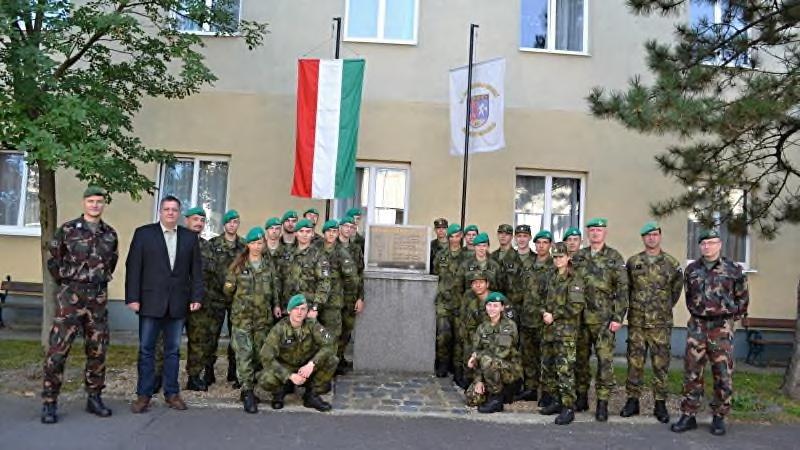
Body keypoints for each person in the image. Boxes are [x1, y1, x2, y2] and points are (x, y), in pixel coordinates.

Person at [41, 186, 119, 424]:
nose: (95, 205)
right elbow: (53, 261)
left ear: (104, 204)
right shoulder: (67, 230)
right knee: (57, 352)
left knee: (97, 350)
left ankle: (94, 397)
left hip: (97, 300)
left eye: (99, 201)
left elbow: (111, 264)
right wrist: (68, 283)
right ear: (84, 203)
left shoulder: (110, 234)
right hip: (70, 299)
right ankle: (49, 403)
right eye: (91, 201)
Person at [126, 195, 203, 414]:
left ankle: (172, 393)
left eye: (174, 210)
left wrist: (196, 297)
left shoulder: (189, 238)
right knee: (146, 350)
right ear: (160, 212)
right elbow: (134, 267)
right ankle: (144, 394)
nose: (170, 213)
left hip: (178, 303)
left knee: (173, 351)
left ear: (179, 214)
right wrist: (132, 297)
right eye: (166, 209)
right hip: (150, 302)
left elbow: (196, 270)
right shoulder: (144, 234)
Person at [671, 229, 749, 436]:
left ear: (720, 244)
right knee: (692, 371)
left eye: (712, 243)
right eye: (704, 243)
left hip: (721, 327)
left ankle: (719, 417)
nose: (708, 246)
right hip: (697, 325)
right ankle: (689, 415)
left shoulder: (733, 269)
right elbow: (689, 296)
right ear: (700, 246)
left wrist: (730, 318)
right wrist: (700, 313)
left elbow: (742, 298)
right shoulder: (692, 269)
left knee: (723, 373)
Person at [620, 221, 682, 423]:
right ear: (643, 238)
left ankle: (660, 403)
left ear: (660, 236)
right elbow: (626, 290)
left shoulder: (671, 264)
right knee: (634, 362)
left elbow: (675, 292)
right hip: (637, 322)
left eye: (655, 234)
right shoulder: (633, 262)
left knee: (660, 364)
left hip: (660, 324)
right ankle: (632, 400)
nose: (651, 238)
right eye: (648, 235)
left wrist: (661, 309)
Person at [573, 218, 628, 421]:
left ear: (605, 232)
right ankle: (581, 397)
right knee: (580, 360)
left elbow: (623, 290)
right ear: (588, 233)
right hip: (581, 318)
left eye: (599, 230)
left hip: (604, 320)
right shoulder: (579, 257)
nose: (595, 233)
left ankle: (602, 403)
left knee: (605, 362)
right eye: (592, 230)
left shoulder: (614, 257)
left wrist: (618, 317)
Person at [223, 227, 279, 414]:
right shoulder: (238, 266)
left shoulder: (268, 265)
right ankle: (247, 391)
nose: (257, 246)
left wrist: (276, 305)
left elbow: (275, 289)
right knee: (244, 355)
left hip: (263, 320)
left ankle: (252, 385)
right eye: (254, 243)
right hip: (242, 320)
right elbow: (228, 291)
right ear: (248, 245)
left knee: (258, 355)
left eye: (260, 243)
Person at [257, 294, 338, 412]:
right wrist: (288, 375)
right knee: (265, 379)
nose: (299, 312)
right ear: (289, 310)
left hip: (306, 366)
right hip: (286, 367)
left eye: (303, 309)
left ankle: (311, 395)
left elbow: (330, 344)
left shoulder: (312, 325)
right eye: (295, 308)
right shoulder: (279, 329)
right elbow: (266, 356)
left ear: (307, 312)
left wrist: (312, 364)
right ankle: (280, 390)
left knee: (332, 360)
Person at [539, 242, 585, 425]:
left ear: (568, 257)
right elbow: (542, 298)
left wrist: (554, 315)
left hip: (565, 333)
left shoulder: (574, 279)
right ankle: (556, 402)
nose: (558, 260)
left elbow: (576, 306)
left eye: (561, 256)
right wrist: (544, 312)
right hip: (549, 331)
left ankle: (568, 407)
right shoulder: (551, 276)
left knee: (565, 370)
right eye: (555, 257)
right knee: (549, 368)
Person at [201, 210, 246, 389]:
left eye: (235, 222)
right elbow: (207, 271)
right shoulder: (213, 244)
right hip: (215, 297)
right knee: (211, 335)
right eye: (229, 222)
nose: (232, 225)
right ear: (224, 225)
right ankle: (208, 371)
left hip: (236, 298)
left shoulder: (244, 246)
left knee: (236, 335)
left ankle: (234, 371)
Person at [454, 232, 501, 388]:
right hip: (469, 306)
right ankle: (466, 376)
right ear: (474, 247)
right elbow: (459, 285)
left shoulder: (494, 265)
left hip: (489, 309)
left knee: (487, 341)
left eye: (484, 245)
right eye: (478, 245)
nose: (481, 248)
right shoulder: (465, 264)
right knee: (467, 340)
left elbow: (500, 287)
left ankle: (484, 379)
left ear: (488, 246)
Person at [464, 292, 523, 414]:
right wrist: (478, 380)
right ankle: (496, 391)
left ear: (502, 308)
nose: (492, 308)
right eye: (489, 305)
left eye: (495, 306)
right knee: (472, 398)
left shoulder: (509, 326)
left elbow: (500, 353)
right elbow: (477, 350)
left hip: (509, 369)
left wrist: (476, 357)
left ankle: (497, 398)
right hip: (489, 368)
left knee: (487, 360)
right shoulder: (482, 327)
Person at [516, 230, 554, 403]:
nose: (541, 246)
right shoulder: (528, 264)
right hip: (527, 317)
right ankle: (531, 388)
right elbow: (521, 290)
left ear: (550, 245)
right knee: (528, 356)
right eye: (539, 243)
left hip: (544, 320)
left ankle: (547, 392)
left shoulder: (555, 265)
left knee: (545, 357)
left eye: (545, 243)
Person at [182, 206, 213, 392]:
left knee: (198, 340)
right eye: (195, 219)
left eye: (202, 220)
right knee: (165, 340)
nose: (198, 223)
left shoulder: (207, 246)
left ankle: (194, 377)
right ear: (187, 221)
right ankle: (158, 376)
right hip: (176, 299)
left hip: (199, 301)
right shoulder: (176, 241)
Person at [318, 219, 358, 355]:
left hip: (333, 302)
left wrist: (343, 295)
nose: (331, 234)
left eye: (334, 231)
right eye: (329, 231)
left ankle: (330, 368)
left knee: (332, 336)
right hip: (316, 300)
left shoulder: (342, 253)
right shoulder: (316, 248)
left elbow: (352, 279)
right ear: (324, 233)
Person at [433, 224, 466, 378]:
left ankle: (458, 367)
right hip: (443, 303)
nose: (454, 239)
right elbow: (435, 276)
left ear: (461, 237)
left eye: (457, 236)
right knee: (443, 335)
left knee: (460, 337)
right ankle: (442, 364)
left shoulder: (467, 257)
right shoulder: (441, 255)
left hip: (460, 302)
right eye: (451, 236)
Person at [336, 216, 365, 373]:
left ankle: (339, 359)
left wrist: (360, 297)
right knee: (334, 331)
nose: (348, 229)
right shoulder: (333, 247)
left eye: (350, 226)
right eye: (345, 226)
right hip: (334, 298)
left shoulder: (355, 249)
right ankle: (331, 363)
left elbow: (360, 274)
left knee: (347, 330)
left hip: (350, 297)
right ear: (340, 227)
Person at [459, 271, 491, 387]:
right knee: (468, 347)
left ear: (487, 284)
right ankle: (470, 378)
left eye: (481, 282)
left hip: (496, 339)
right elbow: (469, 326)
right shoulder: (473, 303)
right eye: (475, 283)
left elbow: (508, 326)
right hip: (479, 337)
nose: (478, 285)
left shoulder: (496, 300)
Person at [490, 223, 519, 301]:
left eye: (507, 234)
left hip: (512, 301)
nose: (503, 236)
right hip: (494, 301)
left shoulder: (517, 257)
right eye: (500, 233)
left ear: (511, 237)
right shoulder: (492, 256)